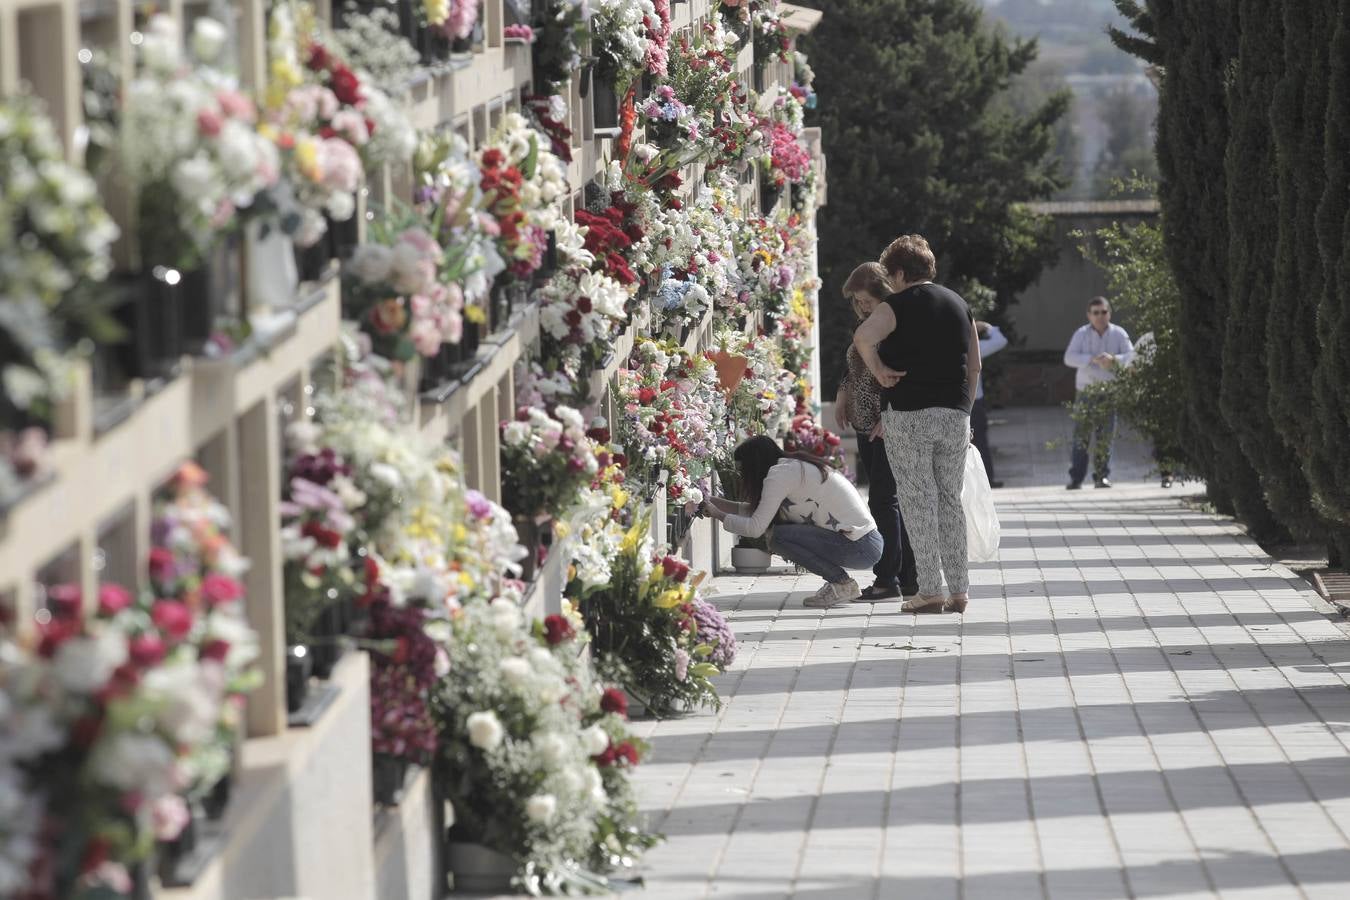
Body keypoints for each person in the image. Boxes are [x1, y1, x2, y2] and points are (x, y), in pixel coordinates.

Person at [853, 235, 980, 614]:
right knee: (949, 500)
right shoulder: (960, 305)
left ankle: (929, 590)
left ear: (900, 272)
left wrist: (879, 370)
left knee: (917, 500)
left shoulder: (896, 306)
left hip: (909, 414)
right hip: (954, 414)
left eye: (890, 275)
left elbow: (863, 337)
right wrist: (964, 409)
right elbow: (974, 365)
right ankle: (959, 590)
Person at [703, 436, 882, 609]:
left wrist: (717, 514)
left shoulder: (779, 475)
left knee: (778, 537)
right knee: (779, 534)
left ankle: (841, 583)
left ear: (754, 466)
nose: (742, 477)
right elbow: (759, 512)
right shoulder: (790, 467)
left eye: (743, 470)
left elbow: (756, 528)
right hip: (866, 542)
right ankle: (841, 582)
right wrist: (715, 503)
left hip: (860, 546)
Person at [837, 262, 920, 601]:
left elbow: (905, 374)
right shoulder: (864, 326)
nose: (863, 307)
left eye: (867, 300)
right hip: (864, 423)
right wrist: (843, 394)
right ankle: (908, 576)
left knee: (884, 501)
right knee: (887, 501)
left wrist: (892, 414)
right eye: (857, 302)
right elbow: (855, 370)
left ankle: (888, 579)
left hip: (886, 425)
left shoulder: (892, 327)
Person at [1063, 296, 1134, 489]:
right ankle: (1076, 478)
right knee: (1081, 435)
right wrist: (1092, 359)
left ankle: (1102, 476)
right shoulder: (1081, 333)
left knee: (1106, 435)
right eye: (1096, 313)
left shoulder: (1119, 333)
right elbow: (1069, 357)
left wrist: (1114, 360)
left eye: (1104, 312)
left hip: (1109, 391)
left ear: (1109, 313)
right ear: (1089, 315)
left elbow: (1132, 355)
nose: (1100, 316)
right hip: (1086, 391)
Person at [972, 321, 1008, 488]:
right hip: (971, 401)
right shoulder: (972, 346)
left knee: (978, 441)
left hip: (970, 402)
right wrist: (988, 327)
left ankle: (985, 480)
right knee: (979, 441)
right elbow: (1000, 340)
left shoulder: (972, 345)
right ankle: (985, 480)